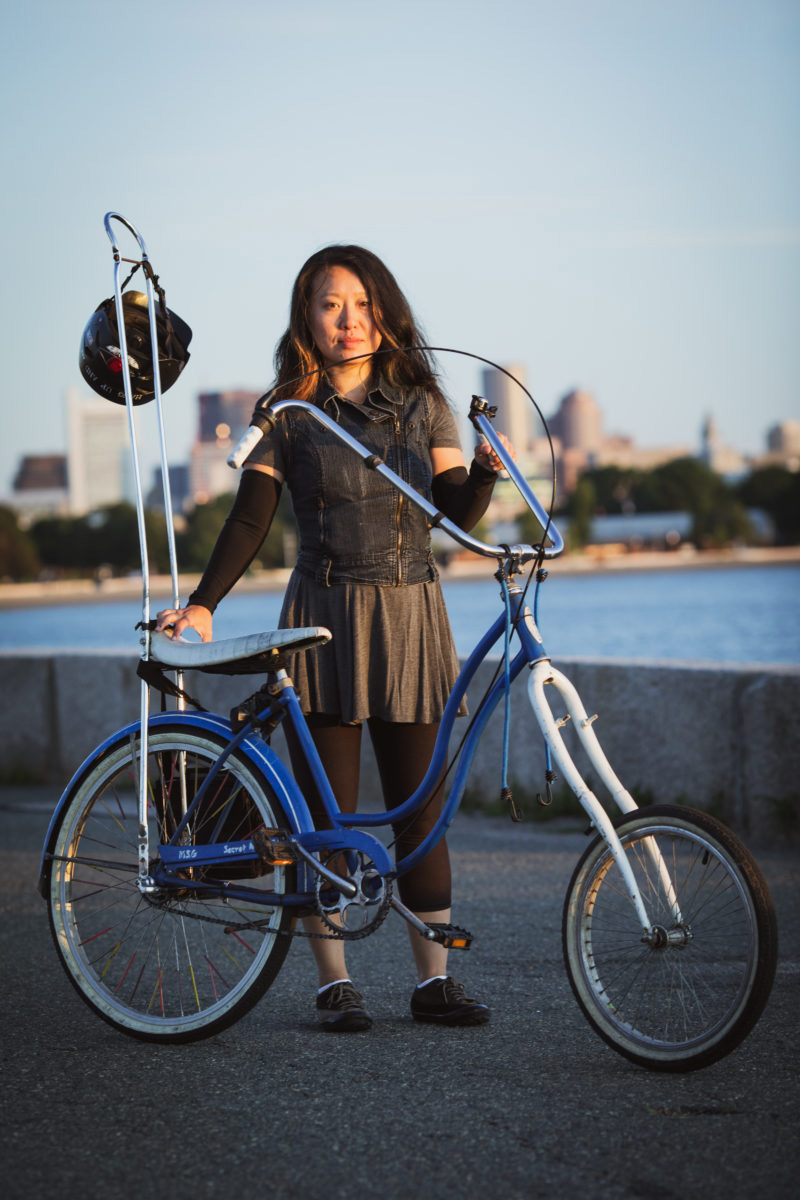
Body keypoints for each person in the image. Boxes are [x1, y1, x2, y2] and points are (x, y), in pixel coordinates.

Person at [156, 245, 513, 1032]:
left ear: (384, 313)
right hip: (320, 619)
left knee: (420, 809)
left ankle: (433, 982)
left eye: (361, 304)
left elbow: (454, 509)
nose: (347, 321)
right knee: (328, 811)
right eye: (329, 305)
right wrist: (205, 604)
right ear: (306, 318)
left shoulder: (424, 403)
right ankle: (333, 983)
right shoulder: (288, 410)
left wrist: (485, 473)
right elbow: (250, 517)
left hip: (411, 613)